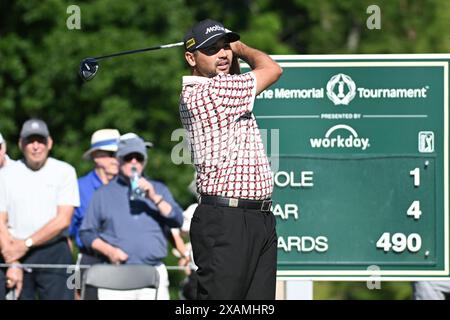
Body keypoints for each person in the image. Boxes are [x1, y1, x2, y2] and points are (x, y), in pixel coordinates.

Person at [179, 19, 282, 299]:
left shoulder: (224, 87)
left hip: (257, 217)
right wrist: (241, 47)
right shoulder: (208, 94)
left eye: (225, 47)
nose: (223, 53)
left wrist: (229, 54)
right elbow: (272, 69)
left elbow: (232, 73)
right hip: (226, 221)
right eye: (211, 49)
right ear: (191, 57)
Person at [79, 133, 183, 300]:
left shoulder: (159, 189)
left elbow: (177, 219)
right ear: (119, 160)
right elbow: (86, 233)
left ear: (144, 162)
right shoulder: (103, 193)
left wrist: (154, 198)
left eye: (138, 158)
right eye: (128, 157)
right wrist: (110, 251)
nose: (134, 162)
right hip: (115, 276)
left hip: (152, 274)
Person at [0, 118, 80, 300]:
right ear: (21, 144)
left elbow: (63, 220)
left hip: (54, 252)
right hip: (13, 254)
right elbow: (0, 220)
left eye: (40, 140)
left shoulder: (65, 172)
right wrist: (12, 261)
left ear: (49, 143)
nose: (36, 146)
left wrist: (26, 244)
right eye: (30, 141)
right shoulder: (5, 175)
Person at [69, 128, 120, 299]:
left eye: (119, 154)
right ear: (96, 156)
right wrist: (72, 281)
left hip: (124, 262)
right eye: (111, 154)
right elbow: (67, 238)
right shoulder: (78, 187)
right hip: (88, 260)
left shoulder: (129, 187)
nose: (117, 159)